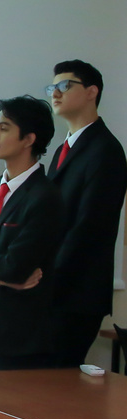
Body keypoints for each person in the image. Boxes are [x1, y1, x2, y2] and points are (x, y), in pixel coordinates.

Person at [0, 96, 64, 372]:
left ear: (29, 139)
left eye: (4, 128)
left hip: (21, 335)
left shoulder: (45, 196)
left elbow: (17, 267)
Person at [45, 60, 127, 367]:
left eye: (65, 86)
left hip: (75, 292)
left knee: (54, 382)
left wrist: (47, 278)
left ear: (92, 92)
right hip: (55, 291)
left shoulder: (105, 150)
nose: (55, 93)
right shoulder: (63, 149)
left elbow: (89, 227)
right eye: (52, 87)